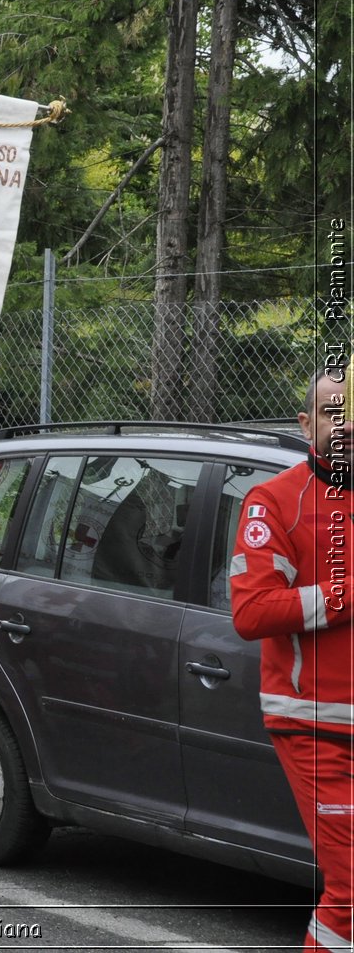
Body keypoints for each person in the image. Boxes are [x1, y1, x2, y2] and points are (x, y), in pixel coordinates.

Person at [231, 368, 353, 952]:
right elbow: (251, 612)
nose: (345, 422)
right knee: (352, 886)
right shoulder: (274, 500)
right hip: (315, 724)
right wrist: (345, 594)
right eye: (332, 411)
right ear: (305, 424)